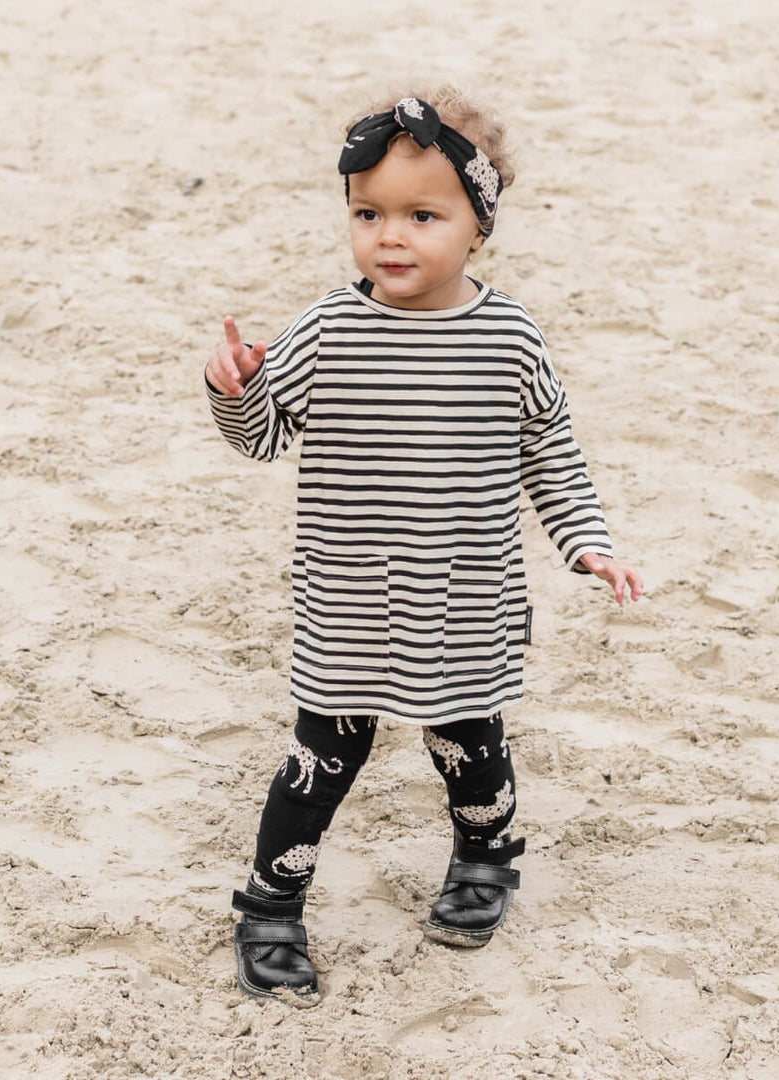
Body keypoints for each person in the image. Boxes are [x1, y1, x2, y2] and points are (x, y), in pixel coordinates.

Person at [204, 87, 643, 1006]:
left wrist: (588, 545)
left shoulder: (509, 339)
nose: (389, 237)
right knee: (320, 759)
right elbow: (263, 438)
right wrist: (237, 390)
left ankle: (486, 857)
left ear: (479, 226)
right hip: (349, 600)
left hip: (465, 598)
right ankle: (271, 906)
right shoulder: (327, 329)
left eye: (422, 216)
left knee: (470, 740)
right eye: (367, 214)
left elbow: (551, 456)